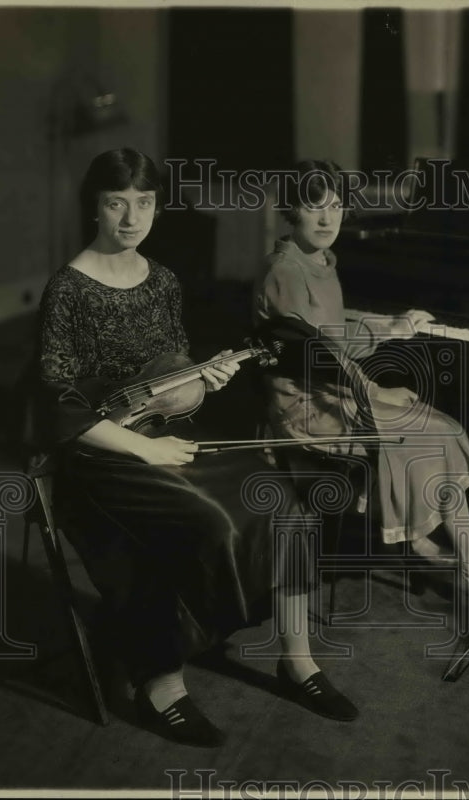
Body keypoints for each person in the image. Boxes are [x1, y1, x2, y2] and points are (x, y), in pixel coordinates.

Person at [38, 148, 358, 748]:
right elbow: (59, 410)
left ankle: (298, 661)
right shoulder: (67, 290)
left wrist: (201, 381)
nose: (132, 218)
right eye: (117, 204)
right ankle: (161, 685)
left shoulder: (161, 281)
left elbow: (171, 381)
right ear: (95, 208)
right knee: (205, 522)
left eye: (145, 203)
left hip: (163, 437)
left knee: (283, 504)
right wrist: (144, 451)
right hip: (98, 457)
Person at [251, 159, 469, 631]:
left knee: (443, 427)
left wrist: (384, 345)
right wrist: (379, 368)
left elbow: (333, 327)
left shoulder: (318, 261)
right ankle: (451, 562)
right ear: (292, 210)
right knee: (432, 434)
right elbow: (320, 352)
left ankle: (464, 565)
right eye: (315, 207)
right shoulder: (286, 271)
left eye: (335, 206)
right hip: (308, 410)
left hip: (337, 390)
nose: (327, 219)